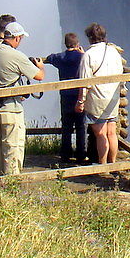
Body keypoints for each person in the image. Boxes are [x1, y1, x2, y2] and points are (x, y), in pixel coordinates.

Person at [0, 21, 44, 175]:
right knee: (12, 145)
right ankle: (12, 180)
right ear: (17, 38)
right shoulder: (16, 56)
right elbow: (39, 76)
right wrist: (40, 66)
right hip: (10, 108)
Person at [76, 23, 123, 165]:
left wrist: (80, 101)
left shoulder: (88, 55)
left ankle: (102, 165)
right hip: (113, 98)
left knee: (101, 134)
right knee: (111, 133)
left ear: (90, 38)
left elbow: (84, 81)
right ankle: (112, 163)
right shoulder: (114, 52)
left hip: (97, 99)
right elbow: (120, 73)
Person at [45, 32, 86, 164]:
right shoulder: (82, 57)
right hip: (79, 96)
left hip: (65, 96)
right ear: (77, 44)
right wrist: (83, 53)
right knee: (80, 126)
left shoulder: (60, 57)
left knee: (66, 126)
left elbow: (50, 58)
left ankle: (65, 155)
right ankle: (80, 155)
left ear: (65, 44)